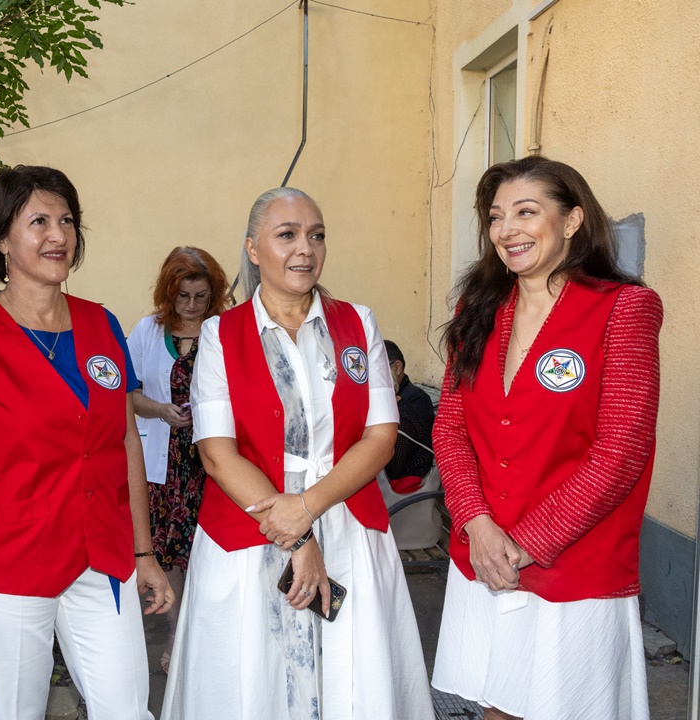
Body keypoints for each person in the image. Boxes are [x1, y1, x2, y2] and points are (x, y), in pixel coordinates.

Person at [161, 187, 433, 719]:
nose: (305, 248)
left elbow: (381, 437)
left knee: (354, 681)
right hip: (249, 533)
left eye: (316, 235)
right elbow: (216, 453)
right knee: (251, 684)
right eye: (286, 235)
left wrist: (307, 507)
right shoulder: (219, 334)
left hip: (346, 524)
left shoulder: (358, 323)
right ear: (253, 248)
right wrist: (299, 535)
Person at [0, 165, 173, 720]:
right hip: (8, 568)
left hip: (101, 558)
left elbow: (125, 442)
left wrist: (143, 553)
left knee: (128, 710)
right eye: (38, 222)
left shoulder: (102, 325)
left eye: (67, 220)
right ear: (2, 240)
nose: (58, 235)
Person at [431, 156, 661, 720]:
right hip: (485, 552)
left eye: (526, 212)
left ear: (572, 220)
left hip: (574, 564)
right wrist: (477, 524)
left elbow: (621, 452)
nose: (507, 229)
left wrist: (525, 544)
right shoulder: (478, 309)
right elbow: (451, 427)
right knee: (496, 708)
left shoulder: (623, 310)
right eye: (496, 217)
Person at [126, 246, 229, 673]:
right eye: (183, 296)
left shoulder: (224, 331)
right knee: (166, 555)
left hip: (210, 463)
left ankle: (204, 637)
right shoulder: (147, 331)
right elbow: (126, 394)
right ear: (169, 293)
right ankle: (175, 635)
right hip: (160, 464)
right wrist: (160, 410)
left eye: (200, 297)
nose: (191, 305)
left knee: (204, 553)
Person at [382, 339, 435, 482]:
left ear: (397, 367)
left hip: (407, 485)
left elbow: (391, 472)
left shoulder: (414, 402)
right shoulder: (395, 405)